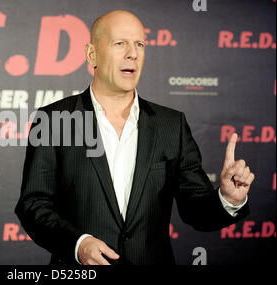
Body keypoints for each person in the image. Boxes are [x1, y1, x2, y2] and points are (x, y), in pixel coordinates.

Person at [15, 10, 254, 265]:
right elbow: (33, 205)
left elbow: (196, 211)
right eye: (120, 44)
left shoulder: (171, 125)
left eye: (140, 44)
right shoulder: (53, 119)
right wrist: (78, 244)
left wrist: (227, 199)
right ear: (91, 55)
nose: (133, 53)